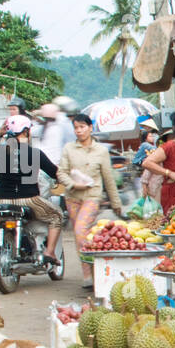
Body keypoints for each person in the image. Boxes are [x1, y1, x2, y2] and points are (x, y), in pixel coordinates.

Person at [0, 114, 64, 285]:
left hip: (2, 202)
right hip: (29, 200)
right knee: (57, 215)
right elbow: (55, 173)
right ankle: (50, 252)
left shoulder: (0, 151)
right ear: (26, 131)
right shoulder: (35, 153)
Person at [58, 113, 122, 289]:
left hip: (92, 196)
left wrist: (116, 203)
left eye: (82, 127)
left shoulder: (101, 151)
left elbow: (108, 178)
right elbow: (61, 172)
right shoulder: (69, 148)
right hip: (72, 197)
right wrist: (72, 184)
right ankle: (87, 272)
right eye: (76, 128)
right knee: (81, 236)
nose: (79, 131)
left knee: (80, 230)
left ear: (90, 128)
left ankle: (93, 271)